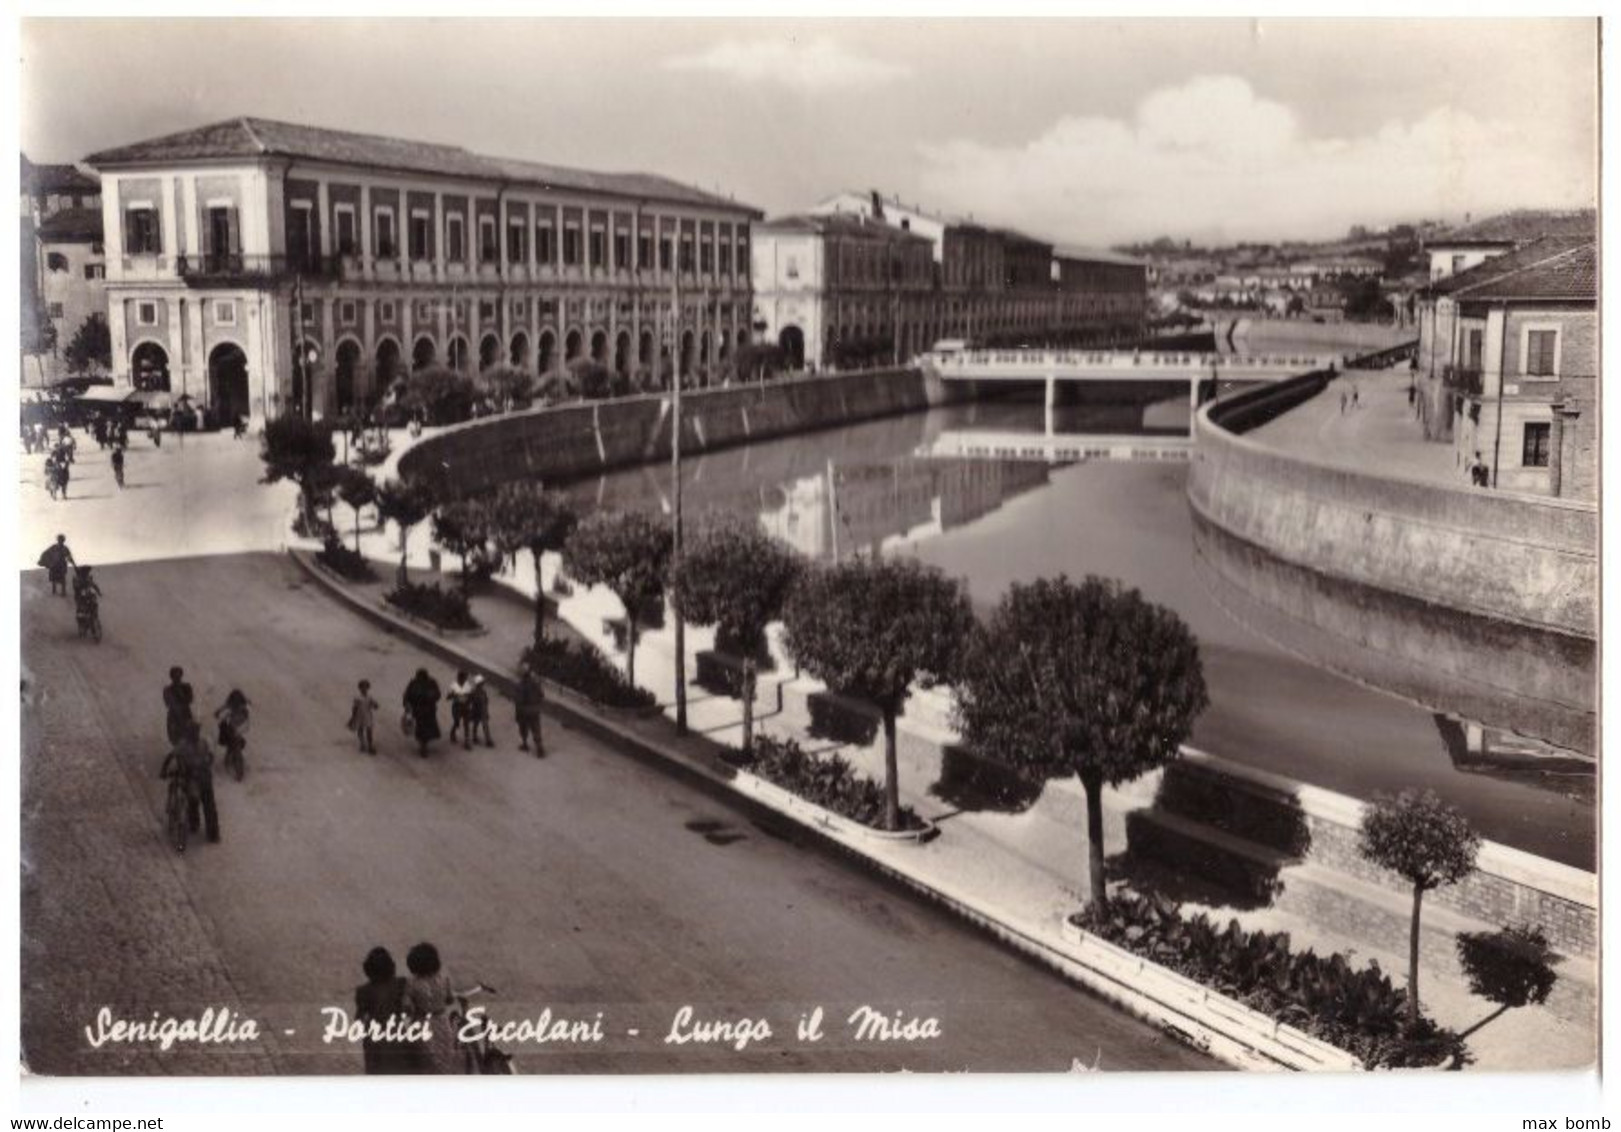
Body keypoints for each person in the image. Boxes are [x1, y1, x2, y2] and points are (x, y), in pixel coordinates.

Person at [402, 942, 461, 1075]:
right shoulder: (444, 978)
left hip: (422, 1025)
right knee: (445, 1063)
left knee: (426, 1065)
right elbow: (450, 999)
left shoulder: (412, 983)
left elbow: (407, 1007)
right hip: (442, 1024)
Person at [354, 947, 414, 1075]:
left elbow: (359, 1018)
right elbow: (408, 1009)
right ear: (391, 967)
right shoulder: (401, 983)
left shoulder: (363, 990)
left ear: (368, 969)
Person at [159, 720, 219, 843]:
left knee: (193, 801)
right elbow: (211, 757)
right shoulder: (203, 743)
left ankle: (194, 824)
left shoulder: (183, 745)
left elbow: (170, 756)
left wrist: (164, 770)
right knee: (208, 806)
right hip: (204, 779)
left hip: (193, 779)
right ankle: (212, 834)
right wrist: (207, 763)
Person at [402, 669, 442, 758]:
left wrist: (430, 696)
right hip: (418, 710)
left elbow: (438, 694)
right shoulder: (413, 683)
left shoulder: (431, 683)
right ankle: (423, 746)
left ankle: (424, 745)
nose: (418, 679)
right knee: (420, 728)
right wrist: (407, 705)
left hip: (429, 710)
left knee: (426, 728)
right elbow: (407, 695)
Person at [214, 689, 251, 768]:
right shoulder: (234, 706)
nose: (236, 704)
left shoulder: (241, 708)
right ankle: (230, 755)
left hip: (237, 727)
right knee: (228, 734)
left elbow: (223, 708)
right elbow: (223, 708)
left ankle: (231, 756)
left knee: (235, 737)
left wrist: (218, 713)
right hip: (233, 727)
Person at [514, 666, 545, 756]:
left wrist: (517, 713)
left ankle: (525, 744)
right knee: (536, 729)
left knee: (523, 728)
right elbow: (541, 695)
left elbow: (519, 701)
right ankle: (539, 748)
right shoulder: (536, 684)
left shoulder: (520, 686)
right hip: (535, 709)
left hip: (524, 711)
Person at [163, 666, 196, 745]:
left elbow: (190, 699)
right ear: (171, 677)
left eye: (178, 676)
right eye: (174, 676)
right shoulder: (167, 689)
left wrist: (180, 693)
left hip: (186, 715)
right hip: (174, 717)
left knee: (189, 738)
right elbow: (167, 703)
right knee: (175, 739)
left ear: (181, 676)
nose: (177, 678)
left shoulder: (186, 687)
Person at [348, 679, 379, 755]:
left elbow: (375, 706)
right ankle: (362, 743)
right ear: (360, 688)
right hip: (360, 716)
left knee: (369, 731)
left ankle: (370, 745)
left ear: (368, 688)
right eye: (362, 687)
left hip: (368, 715)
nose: (364, 689)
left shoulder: (370, 697)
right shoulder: (357, 698)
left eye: (365, 687)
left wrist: (375, 705)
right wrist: (353, 717)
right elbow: (354, 708)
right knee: (360, 729)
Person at [447, 670, 474, 746]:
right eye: (462, 678)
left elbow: (471, 697)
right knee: (457, 722)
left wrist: (470, 701)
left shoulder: (468, 686)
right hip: (457, 707)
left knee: (466, 724)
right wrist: (454, 695)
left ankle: (467, 741)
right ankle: (453, 733)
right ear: (459, 678)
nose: (464, 680)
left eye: (465, 678)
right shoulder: (455, 686)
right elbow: (448, 697)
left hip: (465, 707)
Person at [467, 675, 494, 749]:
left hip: (482, 711)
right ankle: (475, 737)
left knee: (484, 725)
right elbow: (469, 701)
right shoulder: (474, 692)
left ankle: (488, 740)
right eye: (481, 683)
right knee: (476, 724)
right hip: (476, 710)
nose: (482, 685)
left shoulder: (483, 692)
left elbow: (486, 701)